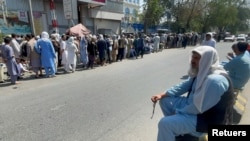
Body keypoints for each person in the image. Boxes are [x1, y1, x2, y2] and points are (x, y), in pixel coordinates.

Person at [151, 46, 234, 141]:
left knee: (165, 124)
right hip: (194, 107)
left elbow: (200, 108)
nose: (193, 60)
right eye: (193, 57)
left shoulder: (215, 81)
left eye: (197, 58)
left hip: (206, 119)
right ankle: (180, 130)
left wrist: (179, 112)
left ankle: (178, 128)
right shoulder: (203, 71)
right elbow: (184, 85)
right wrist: (162, 94)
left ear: (207, 59)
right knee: (165, 100)